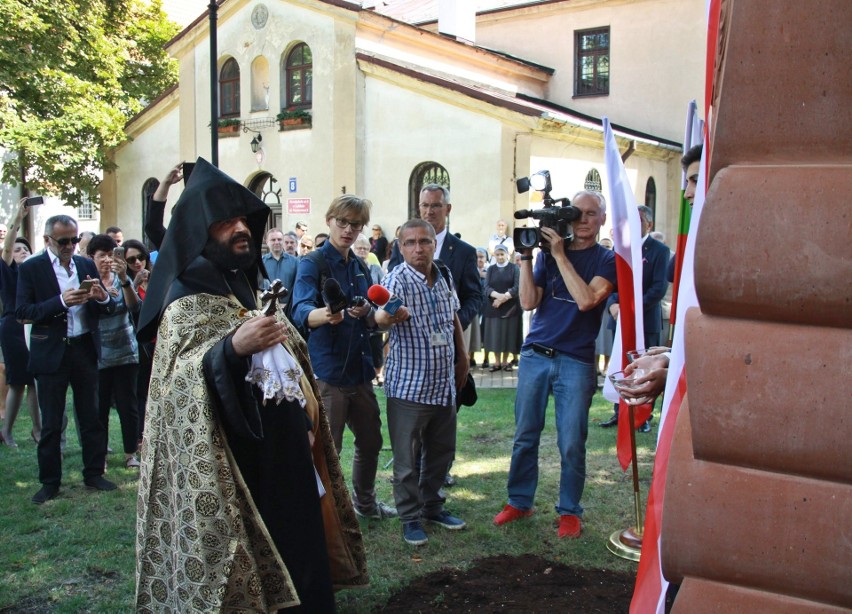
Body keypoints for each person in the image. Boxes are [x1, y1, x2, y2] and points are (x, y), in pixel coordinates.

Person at [134, 158, 367, 611]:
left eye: (244, 219)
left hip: (286, 449)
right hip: (239, 464)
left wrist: (304, 416)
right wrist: (231, 348)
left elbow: (287, 359)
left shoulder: (243, 285)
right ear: (202, 229)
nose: (241, 228)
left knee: (297, 543)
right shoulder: (184, 297)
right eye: (227, 222)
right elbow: (175, 387)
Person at [493, 191, 616, 539]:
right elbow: (529, 302)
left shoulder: (607, 260)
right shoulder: (548, 257)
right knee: (524, 435)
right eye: (578, 213)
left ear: (602, 219)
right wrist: (528, 260)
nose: (583, 220)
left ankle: (569, 511)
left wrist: (560, 254)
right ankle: (519, 500)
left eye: (592, 214)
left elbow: (586, 300)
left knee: (572, 441)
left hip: (576, 361)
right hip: (536, 354)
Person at [291, 197, 396, 521]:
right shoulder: (313, 263)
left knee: (371, 441)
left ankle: (364, 503)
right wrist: (325, 315)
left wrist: (367, 312)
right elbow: (298, 311)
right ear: (329, 220)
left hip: (361, 370)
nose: (349, 230)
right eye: (343, 223)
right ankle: (329, 515)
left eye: (356, 225)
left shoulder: (360, 265)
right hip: (329, 373)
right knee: (328, 450)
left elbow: (367, 314)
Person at [376, 219, 469, 546]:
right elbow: (380, 315)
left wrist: (463, 356)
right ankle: (410, 517)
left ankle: (432, 506)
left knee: (441, 453)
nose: (419, 248)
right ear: (401, 248)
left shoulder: (442, 274)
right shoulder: (396, 279)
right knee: (407, 459)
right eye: (411, 243)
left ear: (434, 244)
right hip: (409, 388)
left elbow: (454, 314)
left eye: (425, 242)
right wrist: (388, 316)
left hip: (443, 383)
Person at [16, 215, 117, 504]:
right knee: (51, 421)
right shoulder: (32, 268)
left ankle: (94, 473)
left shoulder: (85, 265)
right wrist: (61, 302)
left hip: (84, 348)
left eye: (74, 240)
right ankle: (50, 481)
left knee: (91, 416)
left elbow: (107, 308)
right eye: (63, 241)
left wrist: (101, 298)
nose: (70, 245)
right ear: (47, 239)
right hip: (51, 351)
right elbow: (21, 311)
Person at [600, 206, 670, 431]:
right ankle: (619, 412)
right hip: (620, 319)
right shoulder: (622, 249)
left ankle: (643, 417)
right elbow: (611, 281)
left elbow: (658, 288)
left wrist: (632, 308)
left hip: (645, 320)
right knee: (622, 366)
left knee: (646, 370)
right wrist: (613, 304)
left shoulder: (659, 251)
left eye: (638, 219)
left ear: (649, 224)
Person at [87, 234, 141, 469]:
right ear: (92, 258)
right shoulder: (87, 281)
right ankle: (102, 455)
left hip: (125, 351)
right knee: (98, 408)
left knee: (127, 405)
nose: (107, 260)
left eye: (111, 255)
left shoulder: (122, 279)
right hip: (98, 355)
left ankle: (130, 453)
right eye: (102, 256)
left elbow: (134, 307)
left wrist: (125, 279)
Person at [0, 199, 40, 447]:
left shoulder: (36, 272)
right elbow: (6, 248)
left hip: (33, 326)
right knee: (17, 382)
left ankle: (38, 431)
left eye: (25, 249)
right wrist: (18, 217)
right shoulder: (7, 271)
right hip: (13, 327)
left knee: (35, 380)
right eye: (17, 249)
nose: (22, 251)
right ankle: (8, 431)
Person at [122, 239, 152, 447]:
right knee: (140, 391)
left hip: (158, 340)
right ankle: (140, 435)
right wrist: (134, 283)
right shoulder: (124, 282)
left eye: (140, 257)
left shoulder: (157, 276)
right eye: (131, 260)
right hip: (136, 341)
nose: (137, 263)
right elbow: (131, 308)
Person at [483, 243, 521, 372]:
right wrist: (498, 297)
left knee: (507, 335)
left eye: (502, 254)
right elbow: (486, 287)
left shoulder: (514, 268)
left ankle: (505, 361)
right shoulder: (491, 269)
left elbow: (517, 287)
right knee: (495, 335)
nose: (500, 257)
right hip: (493, 307)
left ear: (507, 255)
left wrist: (503, 298)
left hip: (510, 307)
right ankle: (497, 362)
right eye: (498, 254)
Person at [354, 233, 386, 385]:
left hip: (374, 313)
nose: (362, 251)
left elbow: (384, 288)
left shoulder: (375, 268)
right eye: (359, 248)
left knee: (376, 345)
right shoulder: (351, 266)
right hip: (355, 313)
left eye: (365, 248)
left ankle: (378, 373)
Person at [261, 228, 298, 311]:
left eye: (279, 239)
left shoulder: (295, 262)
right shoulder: (261, 263)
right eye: (273, 240)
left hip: (289, 309)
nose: (276, 242)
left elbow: (298, 286)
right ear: (267, 242)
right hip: (267, 309)